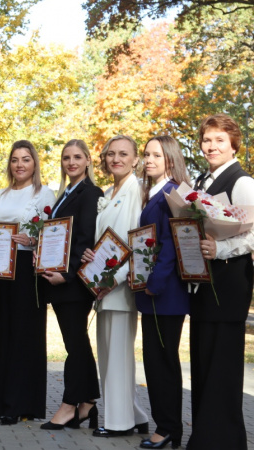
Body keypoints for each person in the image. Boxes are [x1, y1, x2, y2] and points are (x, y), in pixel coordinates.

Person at [188, 114, 253, 449]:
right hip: (203, 286)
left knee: (222, 369)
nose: (211, 146)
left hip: (228, 286)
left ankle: (224, 441)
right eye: (207, 140)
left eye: (219, 140)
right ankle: (205, 438)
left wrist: (221, 248)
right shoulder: (201, 180)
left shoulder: (243, 182)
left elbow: (252, 234)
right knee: (203, 366)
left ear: (233, 144)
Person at [80, 135, 149, 438]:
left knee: (119, 354)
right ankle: (135, 414)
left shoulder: (137, 190)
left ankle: (121, 423)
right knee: (107, 353)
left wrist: (115, 279)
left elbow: (138, 240)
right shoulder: (108, 191)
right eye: (110, 154)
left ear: (136, 159)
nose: (116, 159)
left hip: (119, 284)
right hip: (102, 283)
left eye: (123, 154)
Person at [0, 140, 54, 425]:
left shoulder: (44, 194)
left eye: (25, 159)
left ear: (34, 163)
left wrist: (33, 241)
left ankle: (21, 404)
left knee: (24, 336)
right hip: (2, 273)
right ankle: (3, 402)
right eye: (15, 160)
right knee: (3, 335)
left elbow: (55, 235)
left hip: (28, 273)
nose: (19, 165)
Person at [39, 139, 102, 430]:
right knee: (76, 343)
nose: (71, 162)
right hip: (58, 280)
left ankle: (68, 405)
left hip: (74, 283)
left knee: (75, 345)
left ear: (88, 160)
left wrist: (67, 273)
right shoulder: (65, 194)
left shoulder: (90, 193)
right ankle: (87, 403)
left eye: (77, 157)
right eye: (66, 158)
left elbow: (86, 239)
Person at [134, 136, 190, 449]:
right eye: (147, 154)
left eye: (157, 154)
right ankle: (167, 426)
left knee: (163, 361)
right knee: (155, 360)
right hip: (152, 290)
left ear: (170, 158)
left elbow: (172, 243)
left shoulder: (172, 193)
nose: (150, 159)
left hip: (165, 292)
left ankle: (168, 427)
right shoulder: (153, 192)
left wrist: (154, 281)